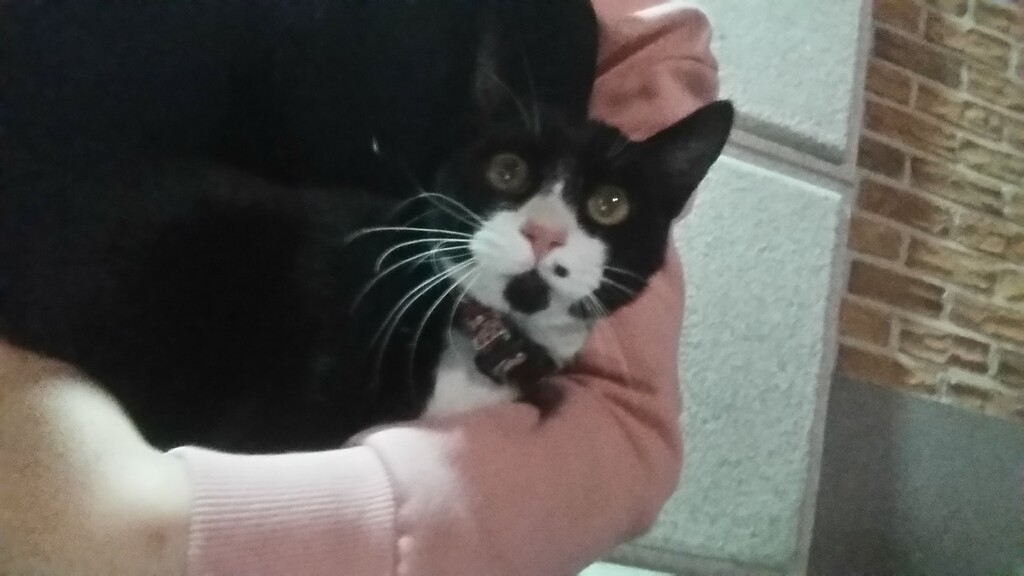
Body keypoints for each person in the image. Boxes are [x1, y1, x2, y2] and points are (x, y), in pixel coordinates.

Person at [0, 1, 719, 575]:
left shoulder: (625, 41)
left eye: (606, 206)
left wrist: (169, 524)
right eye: (511, 177)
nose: (547, 234)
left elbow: (625, 422)